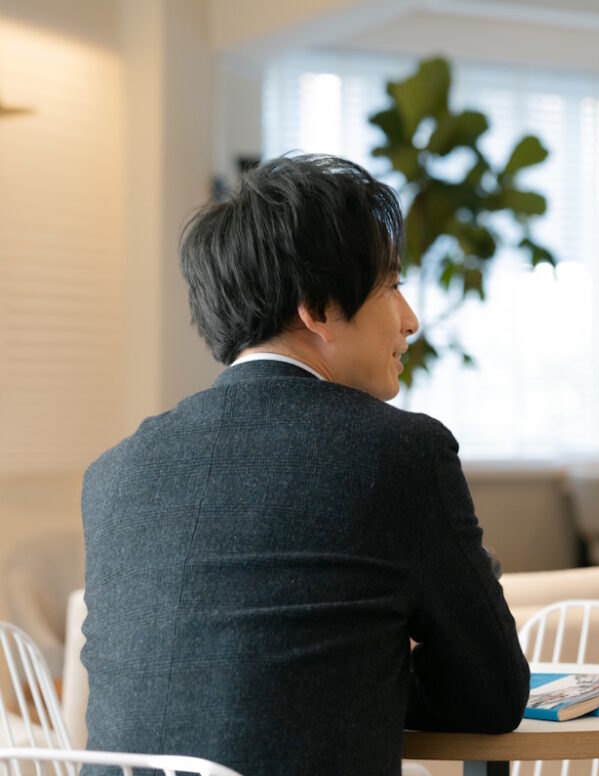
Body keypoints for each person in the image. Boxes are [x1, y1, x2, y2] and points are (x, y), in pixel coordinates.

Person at [81, 154, 530, 776]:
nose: (411, 320)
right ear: (316, 306)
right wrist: (370, 665)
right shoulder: (397, 454)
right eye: (392, 285)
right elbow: (493, 693)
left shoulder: (113, 474)